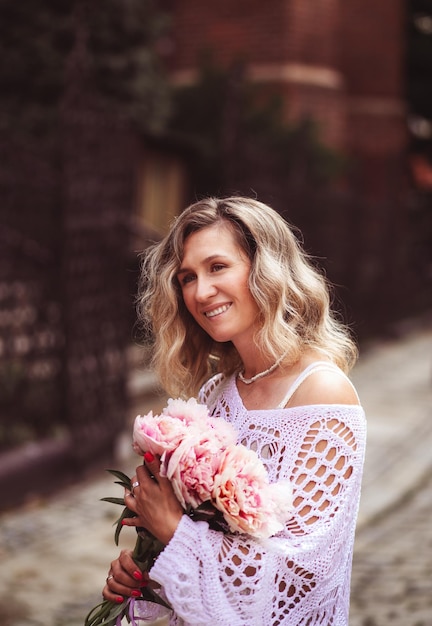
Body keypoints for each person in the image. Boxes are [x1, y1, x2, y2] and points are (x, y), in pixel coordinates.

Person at [103, 196, 366, 625]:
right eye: (187, 277)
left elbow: (301, 575)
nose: (201, 292)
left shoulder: (322, 392)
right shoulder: (215, 393)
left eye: (218, 267)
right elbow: (204, 549)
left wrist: (174, 531)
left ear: (266, 270)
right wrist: (146, 574)